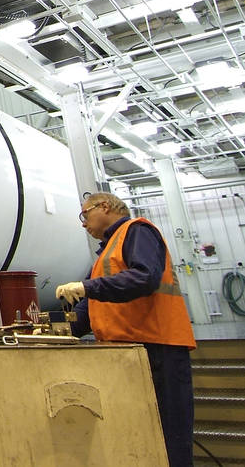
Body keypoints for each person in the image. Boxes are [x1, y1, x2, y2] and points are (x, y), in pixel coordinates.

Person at [56, 192, 196, 467]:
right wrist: (49, 330)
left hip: (157, 349)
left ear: (105, 206)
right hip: (125, 353)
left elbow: (145, 277)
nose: (83, 223)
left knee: (168, 436)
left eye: (85, 215)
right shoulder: (104, 255)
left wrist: (88, 287)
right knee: (135, 435)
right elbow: (85, 313)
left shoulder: (138, 231)